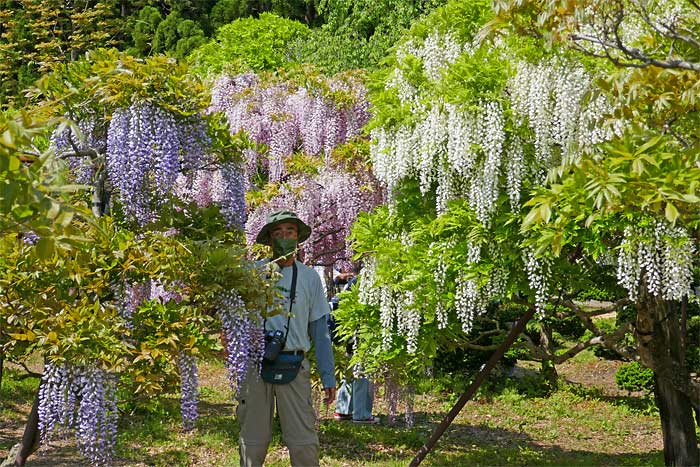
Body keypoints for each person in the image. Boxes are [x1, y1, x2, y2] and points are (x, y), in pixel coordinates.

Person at [237, 210, 336, 467]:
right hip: (256, 364)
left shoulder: (309, 277)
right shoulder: (252, 273)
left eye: (289, 232)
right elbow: (233, 322)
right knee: (253, 439)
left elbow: (320, 332)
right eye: (277, 233)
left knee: (303, 441)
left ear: (298, 238)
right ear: (269, 240)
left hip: (294, 362)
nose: (284, 237)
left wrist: (328, 376)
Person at [330, 266, 380, 425]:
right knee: (362, 374)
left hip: (351, 335)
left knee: (351, 372)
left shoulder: (351, 283)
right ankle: (362, 414)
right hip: (362, 335)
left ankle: (343, 410)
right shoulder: (364, 283)